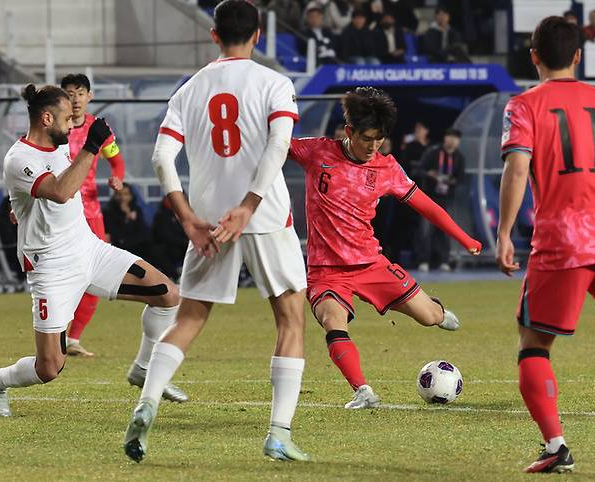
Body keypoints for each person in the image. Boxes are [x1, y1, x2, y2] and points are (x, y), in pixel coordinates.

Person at [123, 0, 309, 463]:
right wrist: (248, 206)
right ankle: (279, 434)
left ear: (214, 34)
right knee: (290, 319)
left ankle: (147, 401)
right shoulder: (274, 83)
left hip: (207, 222)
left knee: (189, 318)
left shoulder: (189, 89)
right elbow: (279, 145)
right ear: (258, 34)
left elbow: (162, 157)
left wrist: (187, 217)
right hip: (265, 217)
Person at [0, 84, 185, 419]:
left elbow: (53, 192)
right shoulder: (19, 158)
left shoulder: (59, 144)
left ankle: (144, 368)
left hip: (88, 249)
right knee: (49, 367)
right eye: (66, 119)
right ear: (46, 119)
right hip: (51, 267)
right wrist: (91, 146)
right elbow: (60, 191)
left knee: (167, 294)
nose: (72, 125)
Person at [289, 87, 481, 409]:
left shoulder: (387, 168)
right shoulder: (317, 152)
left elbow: (427, 206)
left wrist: (465, 239)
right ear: (349, 131)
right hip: (326, 270)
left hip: (371, 264)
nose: (373, 147)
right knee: (333, 321)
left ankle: (436, 310)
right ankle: (362, 390)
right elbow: (274, 142)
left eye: (379, 139)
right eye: (367, 139)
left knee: (428, 317)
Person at [497, 16, 595, 473]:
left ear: (534, 56)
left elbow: (517, 168)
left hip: (562, 241)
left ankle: (555, 446)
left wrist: (504, 232)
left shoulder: (523, 105)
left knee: (534, 342)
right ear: (578, 56)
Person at [60, 73, 124, 358]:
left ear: (89, 96)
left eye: (80, 93)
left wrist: (117, 177)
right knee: (61, 273)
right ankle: (56, 334)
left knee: (94, 274)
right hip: (60, 208)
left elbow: (116, 161)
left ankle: (73, 339)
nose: (75, 99)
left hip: (91, 210)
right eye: (69, 93)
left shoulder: (98, 129)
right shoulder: (54, 127)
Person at [416, 127, 465, 272]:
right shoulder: (433, 152)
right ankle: (423, 261)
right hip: (429, 198)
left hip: (446, 199)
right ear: (445, 138)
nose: (452, 140)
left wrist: (452, 181)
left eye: (455, 138)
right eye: (450, 137)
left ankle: (444, 261)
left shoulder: (459, 157)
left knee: (446, 230)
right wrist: (430, 174)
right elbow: (419, 170)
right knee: (425, 230)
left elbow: (461, 178)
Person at [152, 195, 190, 282]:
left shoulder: (184, 215)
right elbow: (166, 237)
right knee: (161, 253)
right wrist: (185, 242)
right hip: (165, 246)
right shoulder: (161, 215)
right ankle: (175, 277)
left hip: (180, 245)